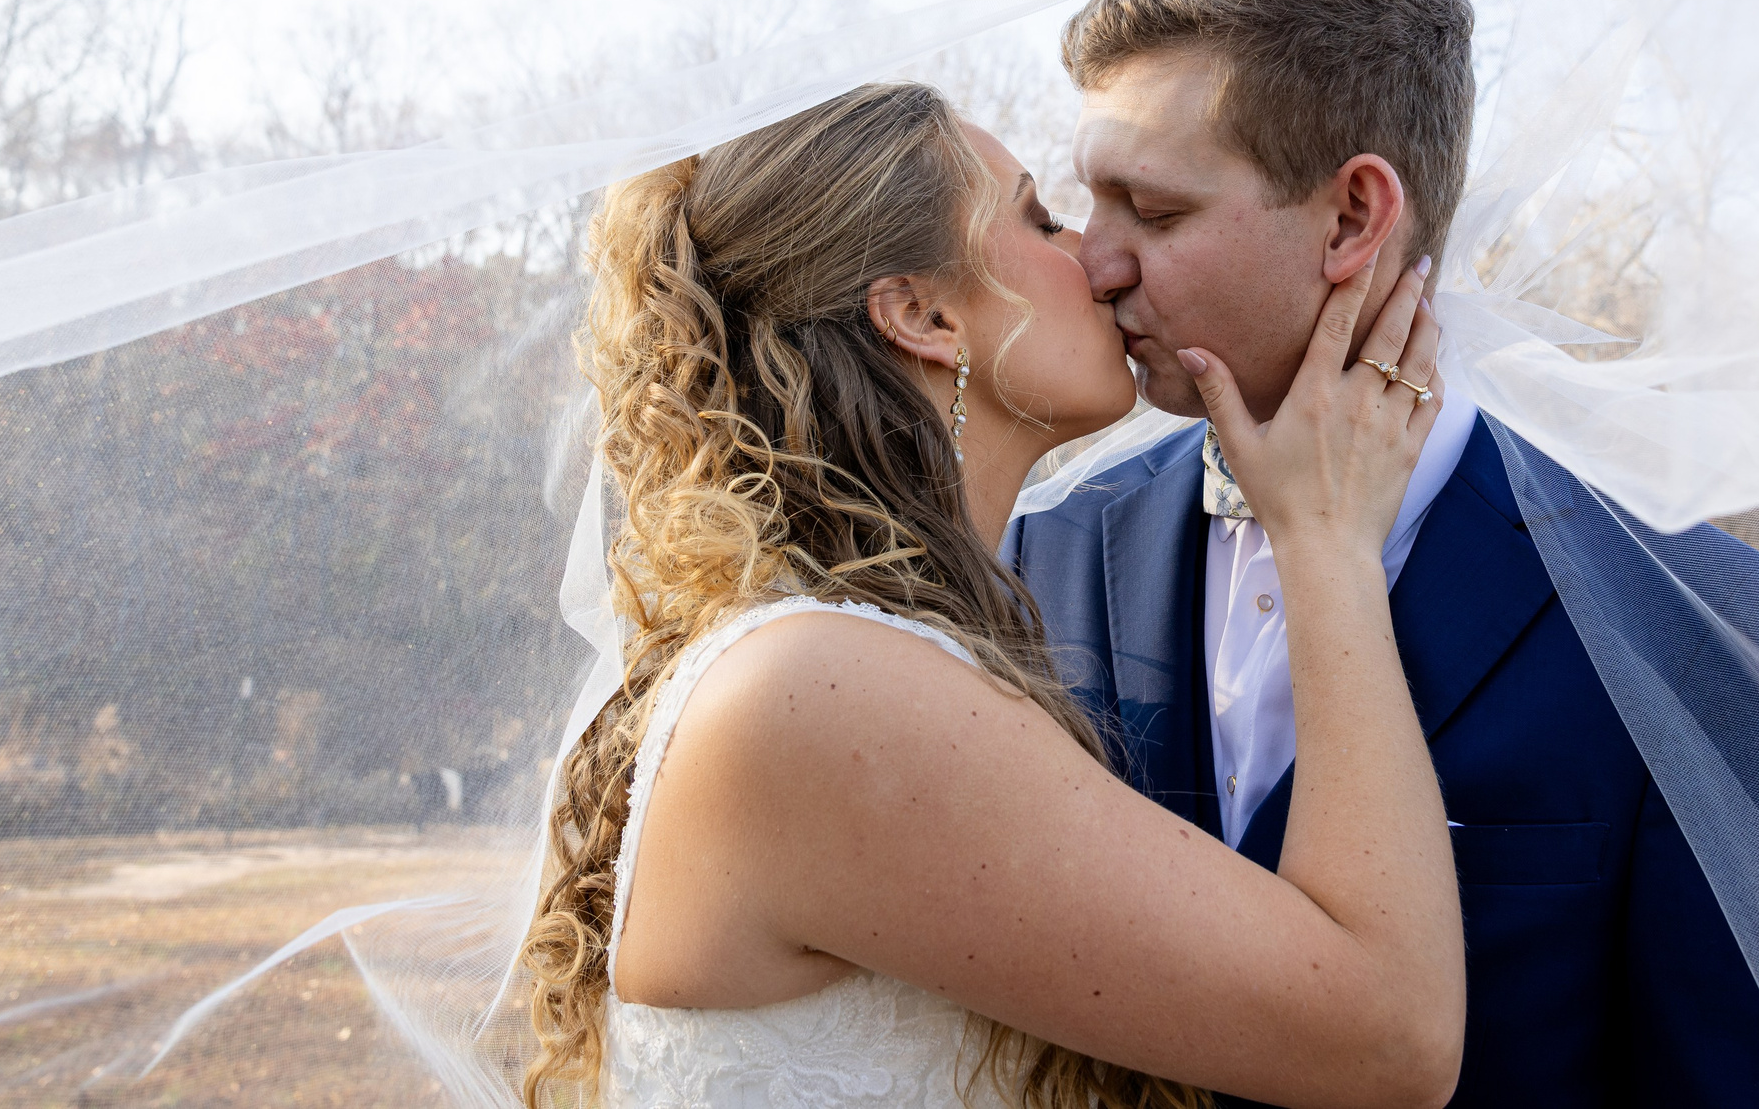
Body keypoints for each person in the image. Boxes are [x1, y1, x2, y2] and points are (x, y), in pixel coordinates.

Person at [1008, 0, 1759, 1108]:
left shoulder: (1689, 619)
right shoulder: (1042, 555)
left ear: (1351, 218)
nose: (1095, 264)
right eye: (1093, 201)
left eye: (1154, 209)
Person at [523, 80, 1468, 1109]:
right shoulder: (826, 690)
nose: (1096, 260)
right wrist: (1327, 539)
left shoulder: (868, 658)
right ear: (923, 314)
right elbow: (1388, 1038)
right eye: (1038, 216)